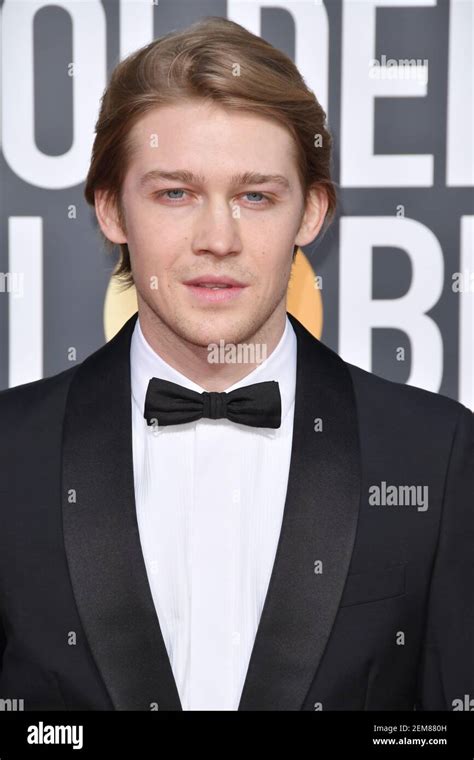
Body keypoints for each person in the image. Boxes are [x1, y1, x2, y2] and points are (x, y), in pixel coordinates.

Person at [0, 16, 472, 712]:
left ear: (310, 212)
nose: (218, 238)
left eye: (255, 196)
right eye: (175, 193)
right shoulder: (9, 452)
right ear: (110, 209)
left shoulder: (435, 454)